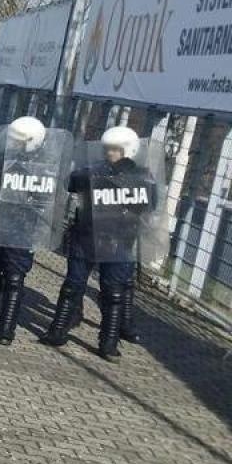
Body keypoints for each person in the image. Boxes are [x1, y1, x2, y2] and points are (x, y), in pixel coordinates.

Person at [46, 126, 158, 360]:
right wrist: (95, 174)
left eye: (116, 150)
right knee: (73, 285)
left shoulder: (142, 178)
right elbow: (71, 182)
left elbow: (149, 204)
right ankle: (58, 330)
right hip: (86, 237)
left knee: (113, 293)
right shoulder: (94, 172)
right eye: (108, 149)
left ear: (129, 151)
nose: (110, 154)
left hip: (119, 242)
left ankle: (108, 342)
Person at [0, 116, 63, 345]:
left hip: (22, 228)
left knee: (14, 278)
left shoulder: (45, 167)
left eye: (18, 139)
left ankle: (6, 327)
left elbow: (48, 198)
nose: (13, 143)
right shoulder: (0, 159)